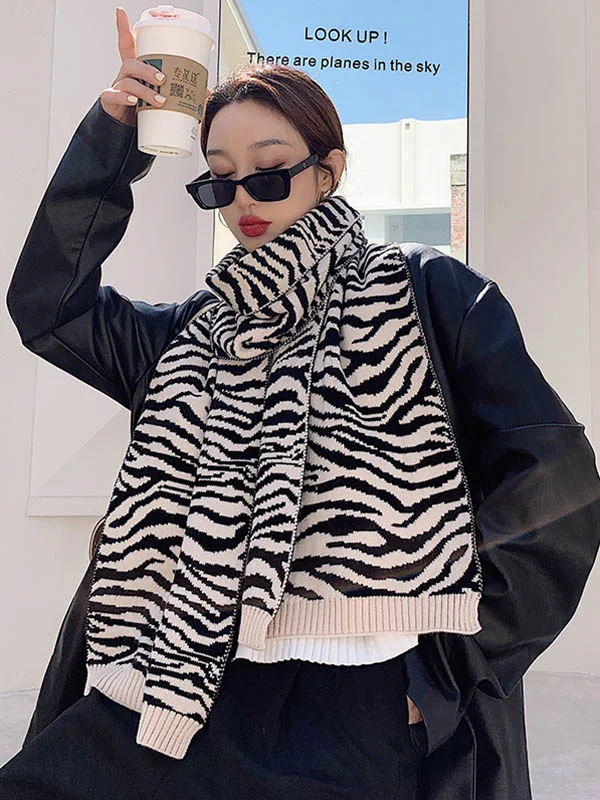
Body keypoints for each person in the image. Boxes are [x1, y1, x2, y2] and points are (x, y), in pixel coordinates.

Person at [2, 7, 600, 800]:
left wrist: (447, 670)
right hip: (175, 682)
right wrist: (114, 138)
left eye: (270, 171)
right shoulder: (194, 333)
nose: (243, 198)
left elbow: (557, 479)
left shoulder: (427, 293)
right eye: (220, 178)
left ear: (329, 170)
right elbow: (49, 306)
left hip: (360, 698)